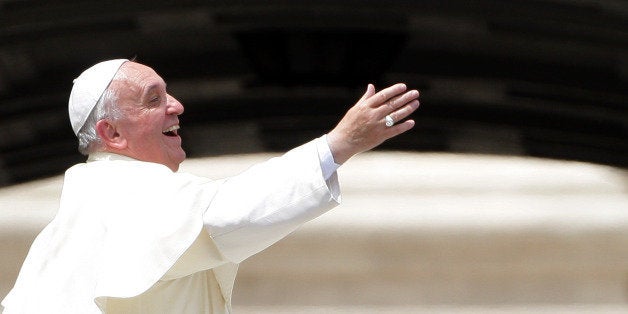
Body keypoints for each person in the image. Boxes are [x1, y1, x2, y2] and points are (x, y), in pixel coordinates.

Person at [1, 59, 420, 313]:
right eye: (153, 99)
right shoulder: (124, 189)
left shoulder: (87, 202)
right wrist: (339, 144)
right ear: (112, 134)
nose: (176, 106)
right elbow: (226, 214)